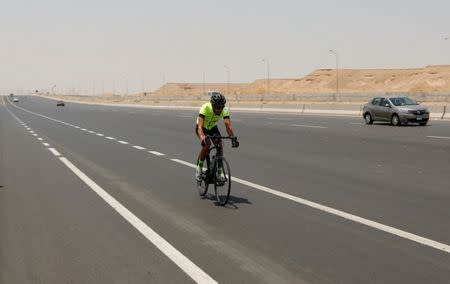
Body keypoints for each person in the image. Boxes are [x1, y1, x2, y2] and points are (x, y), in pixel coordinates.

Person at [195, 92, 239, 181]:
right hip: (202, 128)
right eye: (217, 107)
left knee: (219, 145)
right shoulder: (205, 107)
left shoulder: (225, 110)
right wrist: (202, 136)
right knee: (207, 144)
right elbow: (200, 126)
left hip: (212, 128)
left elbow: (228, 127)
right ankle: (199, 169)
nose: (219, 109)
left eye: (221, 107)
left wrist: (232, 138)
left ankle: (219, 172)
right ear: (212, 105)